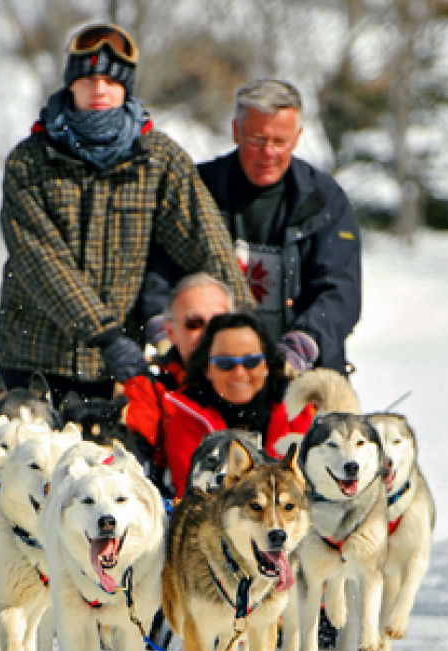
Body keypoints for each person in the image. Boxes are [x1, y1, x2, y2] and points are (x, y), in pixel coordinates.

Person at [0, 21, 252, 404]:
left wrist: (247, 327)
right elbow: (41, 260)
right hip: (34, 360)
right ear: (70, 85)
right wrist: (106, 334)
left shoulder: (159, 160)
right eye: (88, 79)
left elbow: (206, 242)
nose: (99, 90)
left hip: (113, 373)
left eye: (111, 82)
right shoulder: (29, 162)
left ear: (126, 88)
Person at [144, 78, 361, 374]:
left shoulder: (324, 200)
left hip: (301, 369)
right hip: (209, 369)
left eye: (279, 142)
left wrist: (302, 344)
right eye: (257, 140)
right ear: (236, 131)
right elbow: (158, 272)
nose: (267, 153)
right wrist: (165, 336)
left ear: (297, 137)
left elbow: (339, 292)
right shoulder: (195, 191)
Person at [162, 311, 316, 498]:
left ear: (266, 365)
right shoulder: (187, 418)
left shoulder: (297, 410)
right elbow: (190, 497)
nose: (239, 373)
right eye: (225, 363)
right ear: (206, 369)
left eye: (251, 362)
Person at [122, 272, 233, 484]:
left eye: (219, 321)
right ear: (170, 332)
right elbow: (136, 469)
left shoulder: (265, 385)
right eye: (194, 323)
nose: (208, 333)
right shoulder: (150, 389)